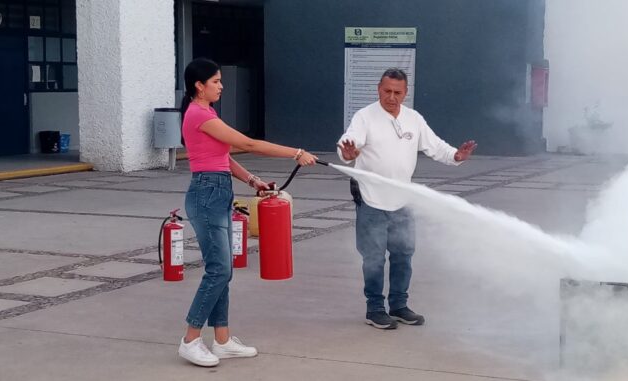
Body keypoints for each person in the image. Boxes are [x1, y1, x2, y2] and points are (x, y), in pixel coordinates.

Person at [178, 58, 318, 366]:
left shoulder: (207, 113)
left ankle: (223, 340)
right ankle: (190, 339)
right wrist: (295, 153)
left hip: (217, 192)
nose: (221, 85)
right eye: (215, 81)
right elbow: (248, 143)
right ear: (199, 86)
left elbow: (222, 158)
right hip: (206, 196)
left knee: (222, 270)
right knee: (220, 270)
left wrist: (252, 180)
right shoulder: (199, 114)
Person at [337, 68, 477, 330]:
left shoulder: (413, 118)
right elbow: (348, 145)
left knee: (403, 254)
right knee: (374, 258)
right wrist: (349, 151)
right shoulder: (364, 117)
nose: (391, 97)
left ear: (406, 92)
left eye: (397, 92)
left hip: (402, 200)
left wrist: (455, 156)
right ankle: (375, 309)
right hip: (371, 200)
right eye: (387, 91)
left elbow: (434, 146)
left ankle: (399, 305)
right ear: (378, 89)